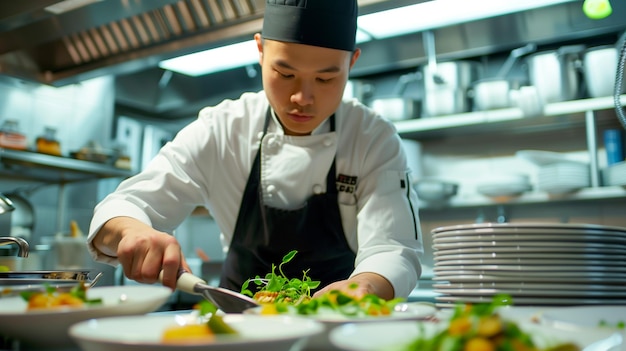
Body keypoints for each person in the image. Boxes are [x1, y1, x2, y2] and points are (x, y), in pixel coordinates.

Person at [88, 0, 423, 300]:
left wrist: (365, 285)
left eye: (325, 79)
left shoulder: (371, 137)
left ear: (353, 62)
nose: (302, 98)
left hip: (336, 327)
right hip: (236, 329)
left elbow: (393, 247)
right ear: (261, 51)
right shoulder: (222, 129)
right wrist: (133, 231)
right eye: (285, 73)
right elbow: (125, 205)